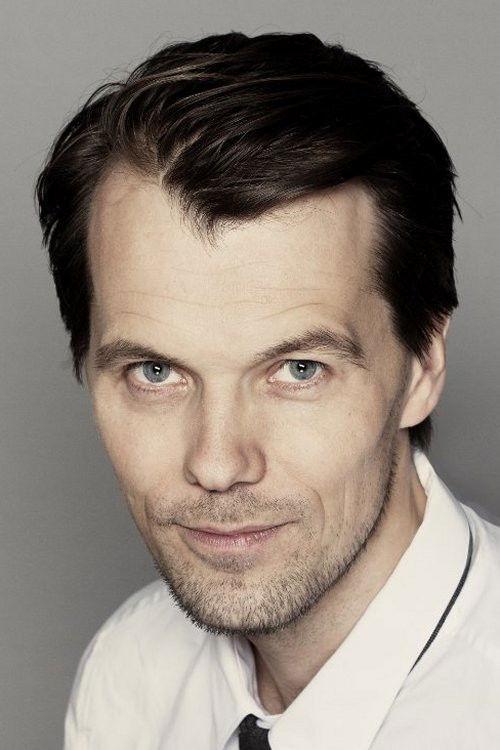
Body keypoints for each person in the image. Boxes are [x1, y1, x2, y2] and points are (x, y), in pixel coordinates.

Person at [35, 31, 500, 749]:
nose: (218, 464)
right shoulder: (128, 674)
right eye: (155, 373)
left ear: (421, 367)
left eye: (298, 370)